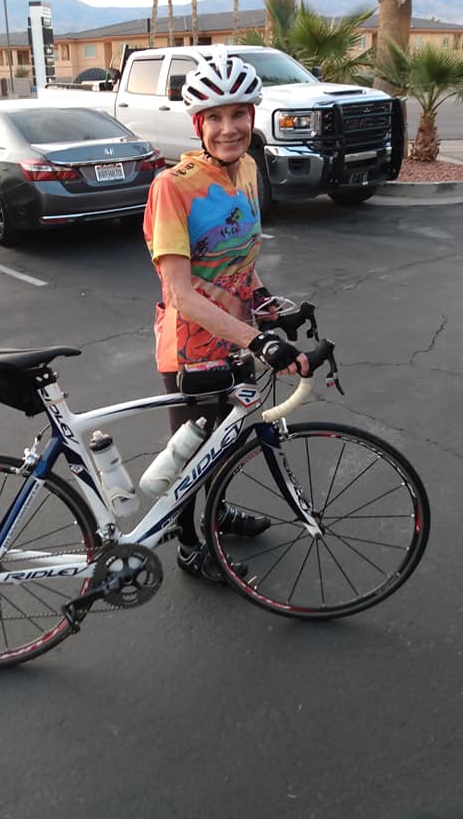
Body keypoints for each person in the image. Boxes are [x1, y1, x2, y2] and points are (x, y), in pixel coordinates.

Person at [143, 47, 309, 583]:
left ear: (253, 117)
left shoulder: (249, 171)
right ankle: (191, 545)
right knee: (192, 455)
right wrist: (258, 341)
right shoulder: (172, 188)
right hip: (191, 349)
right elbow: (183, 294)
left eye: (238, 114)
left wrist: (265, 303)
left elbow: (243, 263)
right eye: (214, 117)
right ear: (197, 123)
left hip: (237, 339)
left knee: (226, 442)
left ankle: (216, 515)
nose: (228, 128)